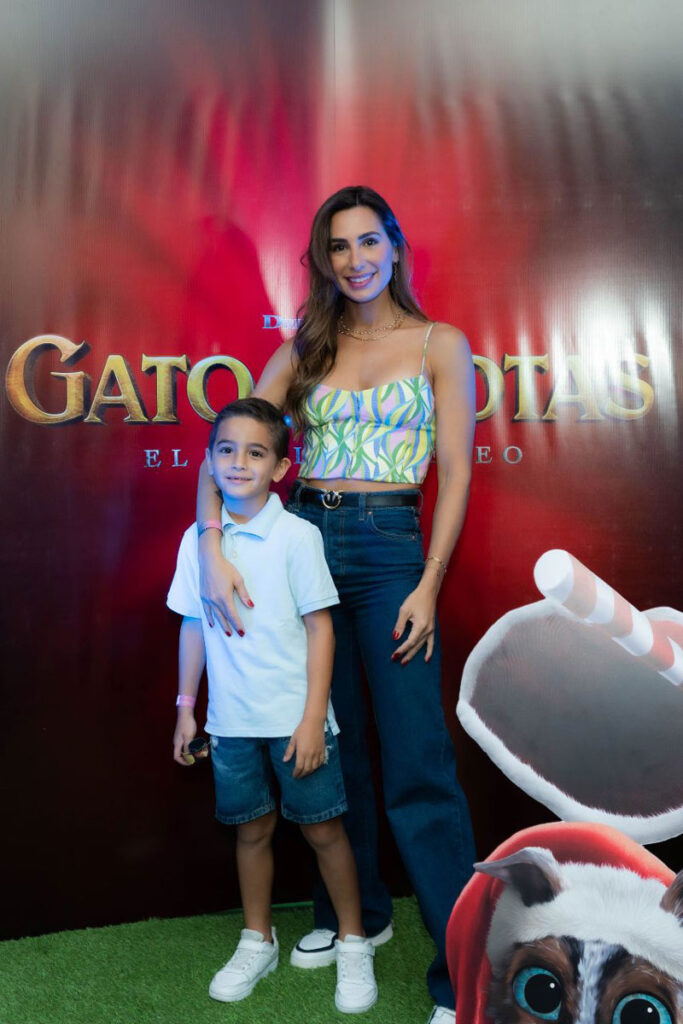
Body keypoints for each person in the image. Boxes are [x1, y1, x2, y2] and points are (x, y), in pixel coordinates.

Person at [196, 186, 477, 1024]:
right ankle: (357, 916)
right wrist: (210, 543)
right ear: (323, 260)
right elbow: (234, 441)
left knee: (417, 763)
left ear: (393, 246)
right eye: (338, 247)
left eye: (368, 242)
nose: (355, 261)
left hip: (391, 549)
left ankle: (463, 972)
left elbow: (458, 469)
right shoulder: (305, 347)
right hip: (307, 541)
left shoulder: (438, 342)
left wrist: (428, 582)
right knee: (331, 743)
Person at [168, 396, 378, 1014]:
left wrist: (313, 719)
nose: (239, 463)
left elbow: (321, 629)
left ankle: (354, 941)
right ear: (209, 462)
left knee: (324, 830)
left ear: (281, 468)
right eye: (226, 450)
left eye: (255, 452)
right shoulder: (197, 543)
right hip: (230, 725)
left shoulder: (298, 537)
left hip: (296, 722)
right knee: (251, 831)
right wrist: (186, 707)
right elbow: (192, 626)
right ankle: (257, 939)